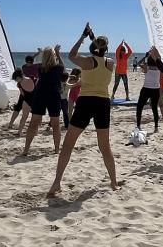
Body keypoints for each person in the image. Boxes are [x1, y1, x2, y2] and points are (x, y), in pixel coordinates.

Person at [49, 23, 119, 196]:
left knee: (68, 145)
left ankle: (57, 182)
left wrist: (83, 36)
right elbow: (100, 54)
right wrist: (93, 37)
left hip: (86, 102)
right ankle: (113, 182)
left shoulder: (87, 62)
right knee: (105, 146)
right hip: (103, 103)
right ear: (106, 49)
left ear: (91, 47)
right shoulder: (110, 63)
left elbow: (71, 55)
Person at [22, 45, 64, 154]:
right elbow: (62, 66)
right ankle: (56, 150)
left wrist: (39, 54)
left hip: (40, 94)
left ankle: (26, 149)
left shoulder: (40, 68)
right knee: (55, 124)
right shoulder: (58, 68)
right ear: (54, 56)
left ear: (44, 56)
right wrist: (58, 53)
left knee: (33, 122)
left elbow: (31, 64)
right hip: (53, 95)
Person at [134, 52, 163, 133]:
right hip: (156, 90)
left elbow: (138, 63)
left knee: (139, 107)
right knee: (154, 109)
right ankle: (156, 127)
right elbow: (159, 59)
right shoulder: (159, 68)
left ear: (149, 61)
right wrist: (156, 53)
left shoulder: (147, 67)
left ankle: (138, 126)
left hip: (146, 89)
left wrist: (145, 56)